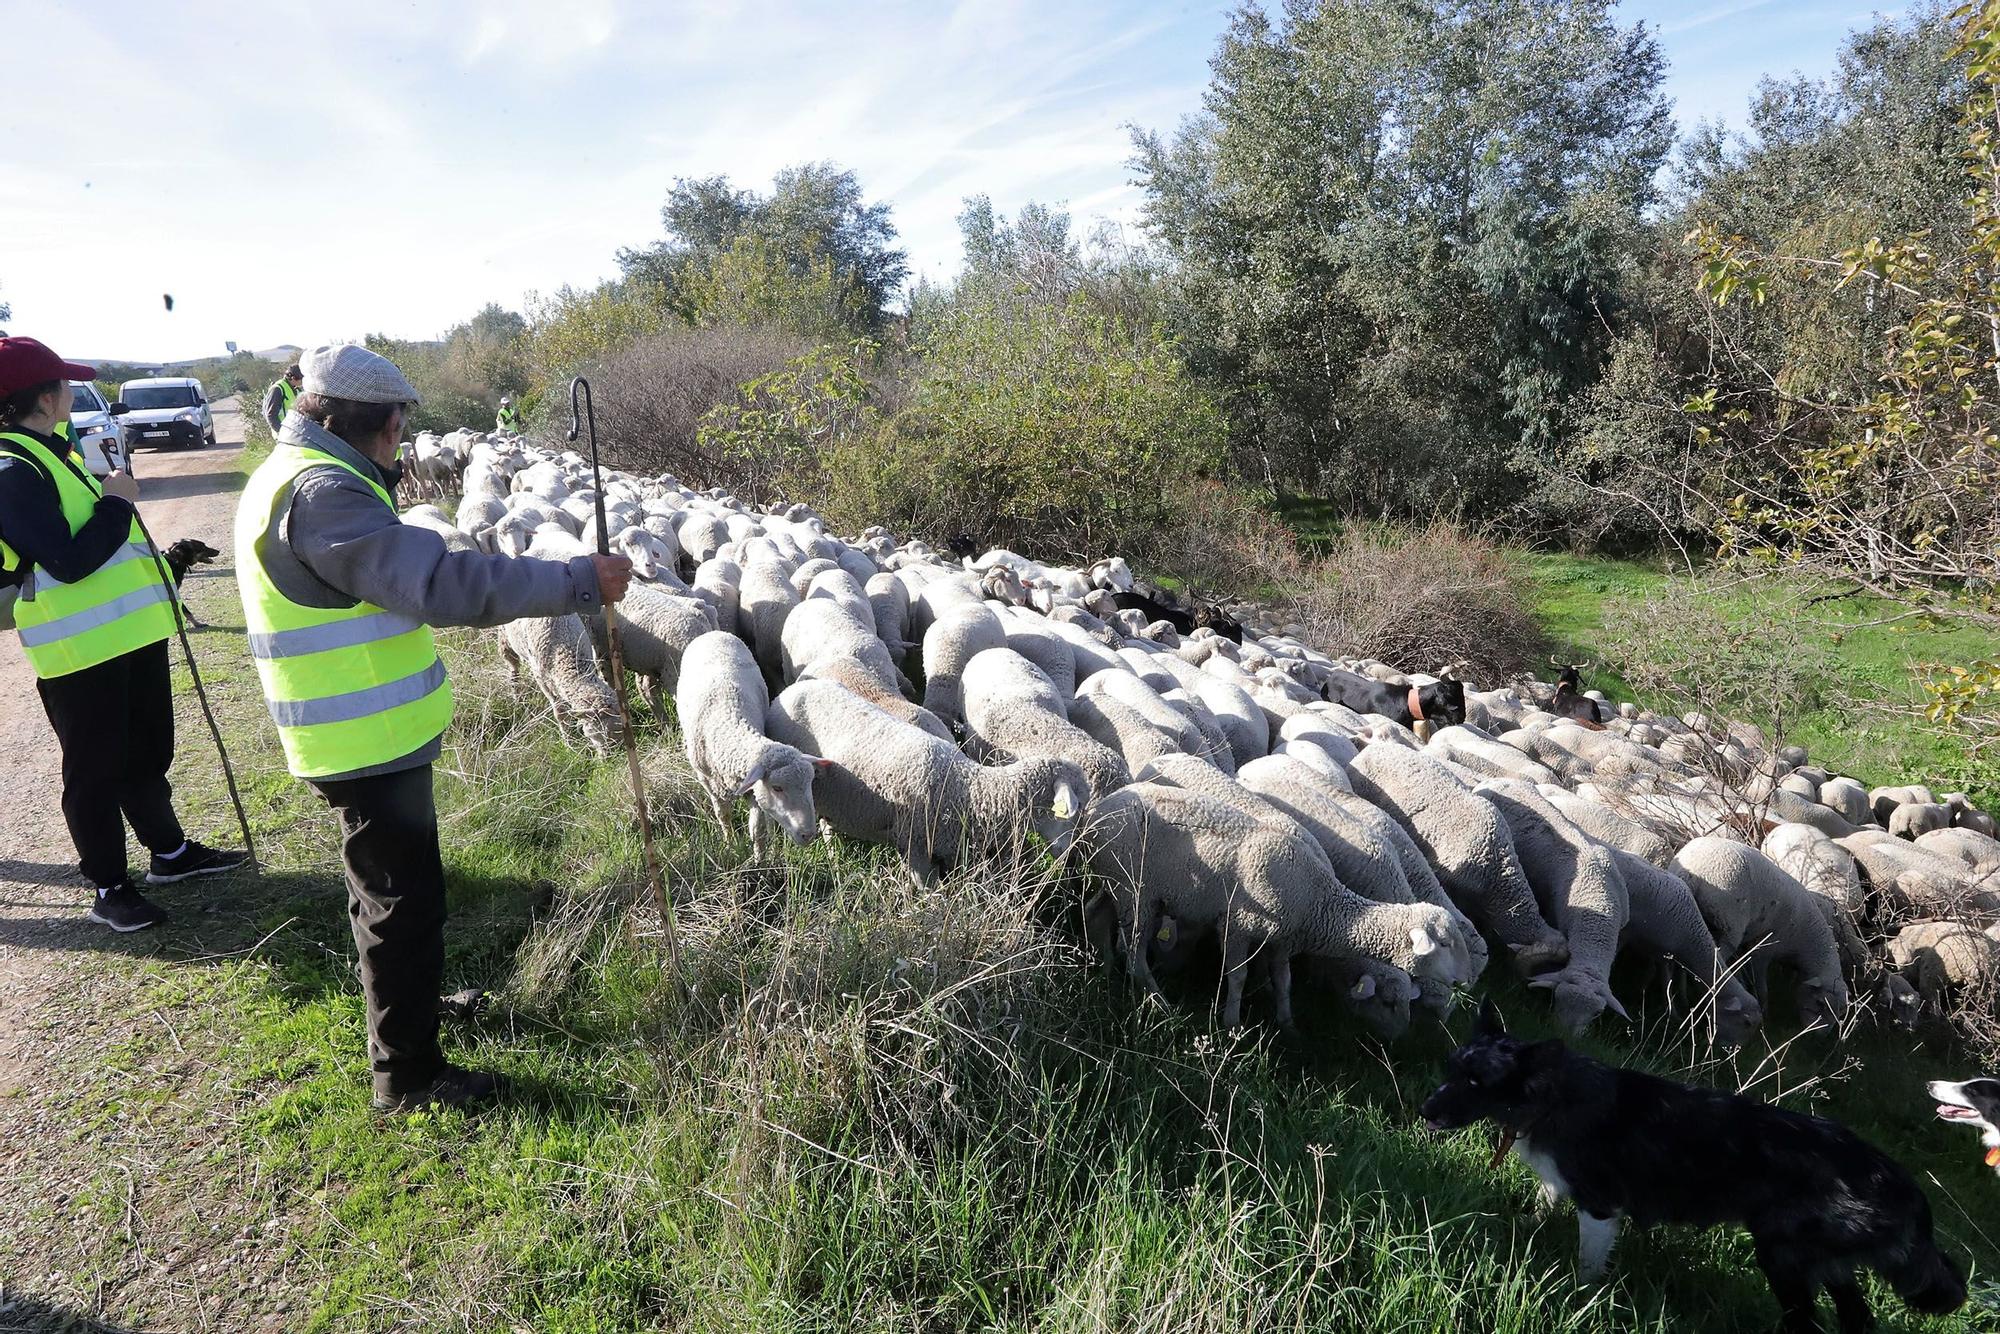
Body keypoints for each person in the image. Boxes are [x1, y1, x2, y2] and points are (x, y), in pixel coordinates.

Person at [235, 343, 632, 1113]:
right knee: (400, 903)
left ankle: (408, 1011)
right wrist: (577, 580)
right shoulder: (322, 495)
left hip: (363, 733)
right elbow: (441, 581)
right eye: (397, 431)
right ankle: (409, 1076)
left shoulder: (300, 474)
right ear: (381, 425)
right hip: (361, 738)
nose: (399, 445)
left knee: (388, 893)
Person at [0, 337, 247, 931]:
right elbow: (68, 560)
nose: (71, 393)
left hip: (128, 635)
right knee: (93, 773)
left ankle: (170, 853)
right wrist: (116, 500)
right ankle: (110, 888)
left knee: (146, 753)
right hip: (79, 650)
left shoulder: (48, 451)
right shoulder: (11, 468)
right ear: (41, 395)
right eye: (64, 384)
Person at [262, 364, 302, 436]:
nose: (302, 381)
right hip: (283, 434)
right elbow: (271, 415)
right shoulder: (278, 389)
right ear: (293, 378)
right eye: (301, 379)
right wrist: (282, 433)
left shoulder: (296, 388)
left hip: (293, 433)